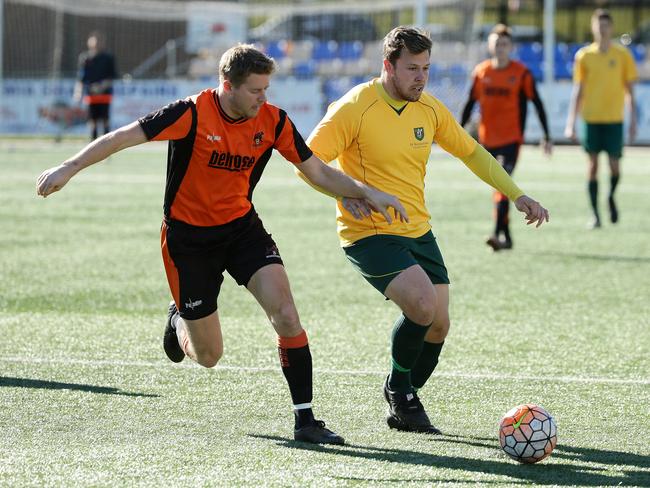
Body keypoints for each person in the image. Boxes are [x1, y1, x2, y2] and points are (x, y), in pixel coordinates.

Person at [37, 44, 408, 445]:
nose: (263, 98)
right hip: (189, 242)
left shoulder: (273, 121)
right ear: (227, 86)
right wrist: (68, 168)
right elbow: (121, 137)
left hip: (241, 231)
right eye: (255, 90)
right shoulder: (191, 113)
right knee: (210, 355)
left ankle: (305, 420)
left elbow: (316, 170)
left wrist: (367, 193)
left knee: (285, 312)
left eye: (266, 89)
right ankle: (179, 319)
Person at [305, 27, 549, 434]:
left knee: (438, 325)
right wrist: (349, 191)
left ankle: (403, 393)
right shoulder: (355, 106)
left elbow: (472, 152)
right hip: (368, 232)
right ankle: (401, 393)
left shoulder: (429, 109)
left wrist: (516, 195)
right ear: (389, 66)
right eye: (412, 68)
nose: (421, 77)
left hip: (418, 230)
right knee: (421, 306)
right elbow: (308, 158)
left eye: (427, 68)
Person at [460, 24, 552, 252]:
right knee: (498, 187)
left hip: (511, 140)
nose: (500, 48)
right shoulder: (481, 73)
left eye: (504, 44)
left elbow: (538, 104)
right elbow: (470, 103)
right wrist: (458, 132)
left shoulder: (521, 74)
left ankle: (496, 235)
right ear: (490, 46)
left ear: (510, 47)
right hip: (486, 141)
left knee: (502, 185)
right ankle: (507, 237)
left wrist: (547, 136)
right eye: (496, 44)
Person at [564, 9, 637, 229]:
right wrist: (571, 123)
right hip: (591, 120)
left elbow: (630, 91)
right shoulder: (584, 56)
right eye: (599, 25)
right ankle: (595, 214)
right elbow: (578, 90)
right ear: (593, 27)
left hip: (614, 120)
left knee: (615, 167)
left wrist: (633, 121)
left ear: (611, 27)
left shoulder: (622, 55)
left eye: (606, 25)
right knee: (593, 166)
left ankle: (611, 196)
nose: (603, 29)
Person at [73, 31, 118, 140]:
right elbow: (81, 78)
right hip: (91, 94)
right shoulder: (85, 58)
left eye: (99, 40)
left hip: (105, 95)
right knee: (92, 121)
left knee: (105, 120)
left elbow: (112, 76)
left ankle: (107, 146)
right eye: (94, 40)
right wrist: (78, 92)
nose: (96, 43)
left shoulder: (108, 58)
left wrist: (102, 86)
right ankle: (92, 146)